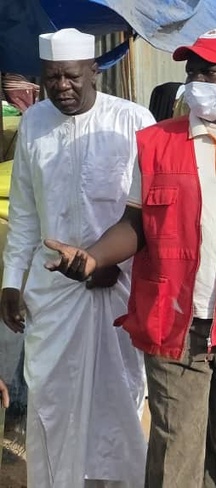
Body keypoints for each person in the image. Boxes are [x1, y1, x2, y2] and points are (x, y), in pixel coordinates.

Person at [42, 29, 216, 487]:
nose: (196, 80)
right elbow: (134, 225)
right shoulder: (156, 142)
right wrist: (93, 257)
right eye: (191, 70)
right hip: (174, 322)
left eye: (209, 71)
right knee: (175, 454)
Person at [1, 28, 152, 486]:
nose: (62, 86)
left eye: (71, 76)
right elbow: (25, 212)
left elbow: (149, 212)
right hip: (52, 293)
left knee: (119, 397)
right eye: (51, 78)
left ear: (94, 72)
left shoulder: (133, 121)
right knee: (53, 397)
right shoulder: (33, 123)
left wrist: (107, 262)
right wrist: (11, 281)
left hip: (120, 289)